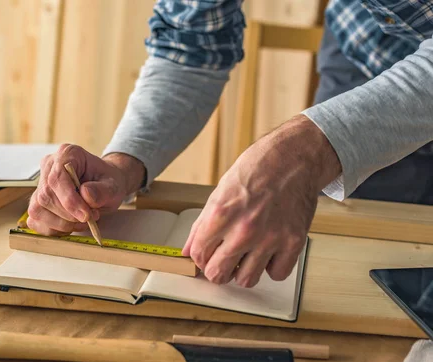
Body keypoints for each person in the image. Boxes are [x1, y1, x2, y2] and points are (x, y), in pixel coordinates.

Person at [27, 0, 433, 288]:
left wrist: (307, 149)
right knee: (354, 280)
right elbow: (191, 45)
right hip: (368, 51)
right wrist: (124, 163)